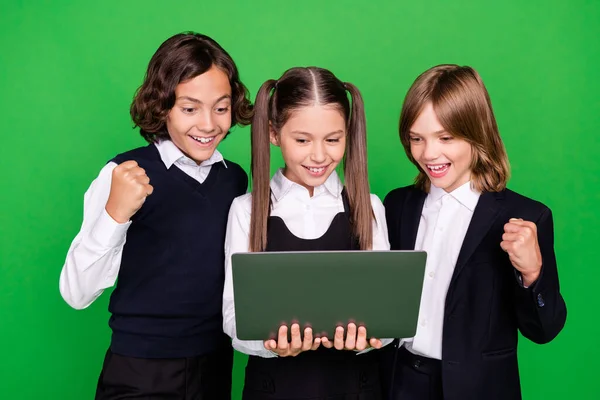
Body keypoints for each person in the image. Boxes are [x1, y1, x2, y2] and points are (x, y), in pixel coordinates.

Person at [59, 32, 252, 399]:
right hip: (140, 370)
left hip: (214, 364)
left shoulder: (234, 178)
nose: (209, 124)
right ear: (162, 106)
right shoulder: (123, 172)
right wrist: (116, 213)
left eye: (221, 108)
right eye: (190, 108)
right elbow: (76, 293)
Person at [380, 64, 567, 400]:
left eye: (446, 137)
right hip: (399, 382)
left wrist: (532, 273)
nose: (428, 153)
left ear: (476, 132)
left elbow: (544, 329)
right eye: (416, 139)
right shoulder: (396, 206)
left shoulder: (526, 216)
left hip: (480, 388)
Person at [223, 66, 392, 399]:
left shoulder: (368, 206)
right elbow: (233, 318)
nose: (319, 155)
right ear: (273, 133)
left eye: (333, 140)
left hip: (356, 388)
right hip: (273, 388)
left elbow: (387, 314)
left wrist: (370, 336)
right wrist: (273, 344)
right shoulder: (246, 210)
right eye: (302, 140)